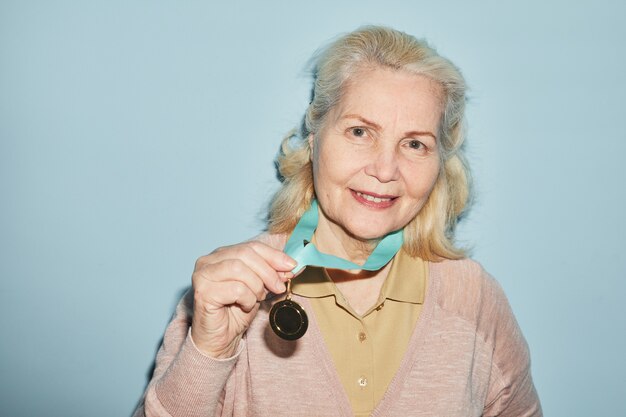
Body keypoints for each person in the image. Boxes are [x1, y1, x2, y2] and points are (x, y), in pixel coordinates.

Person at [133, 26, 542, 417]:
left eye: (415, 144)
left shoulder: (475, 297)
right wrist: (210, 350)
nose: (385, 169)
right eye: (360, 132)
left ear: (440, 165)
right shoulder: (230, 293)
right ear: (314, 139)